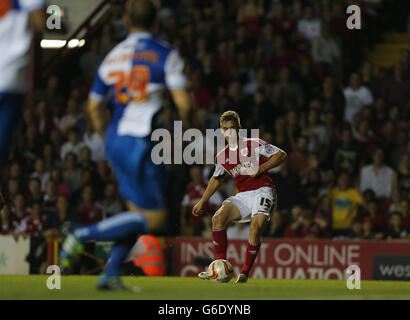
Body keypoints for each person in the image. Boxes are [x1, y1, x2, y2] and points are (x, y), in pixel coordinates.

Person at [61, 0, 191, 291]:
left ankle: (109, 274)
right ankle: (81, 235)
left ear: (127, 19)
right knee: (156, 222)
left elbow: (94, 107)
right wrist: (186, 133)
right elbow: (184, 104)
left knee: (136, 216)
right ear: (155, 22)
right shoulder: (165, 54)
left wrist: (108, 139)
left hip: (116, 138)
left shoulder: (112, 57)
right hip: (140, 141)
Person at [192, 110, 287, 283]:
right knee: (218, 219)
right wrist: (202, 201)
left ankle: (244, 272)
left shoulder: (254, 143)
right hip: (243, 195)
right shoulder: (222, 156)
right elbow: (216, 179)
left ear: (240, 129)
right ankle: (221, 264)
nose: (230, 132)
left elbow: (281, 155)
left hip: (263, 190)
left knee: (255, 227)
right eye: (226, 129)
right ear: (222, 131)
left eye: (234, 128)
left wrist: (261, 169)